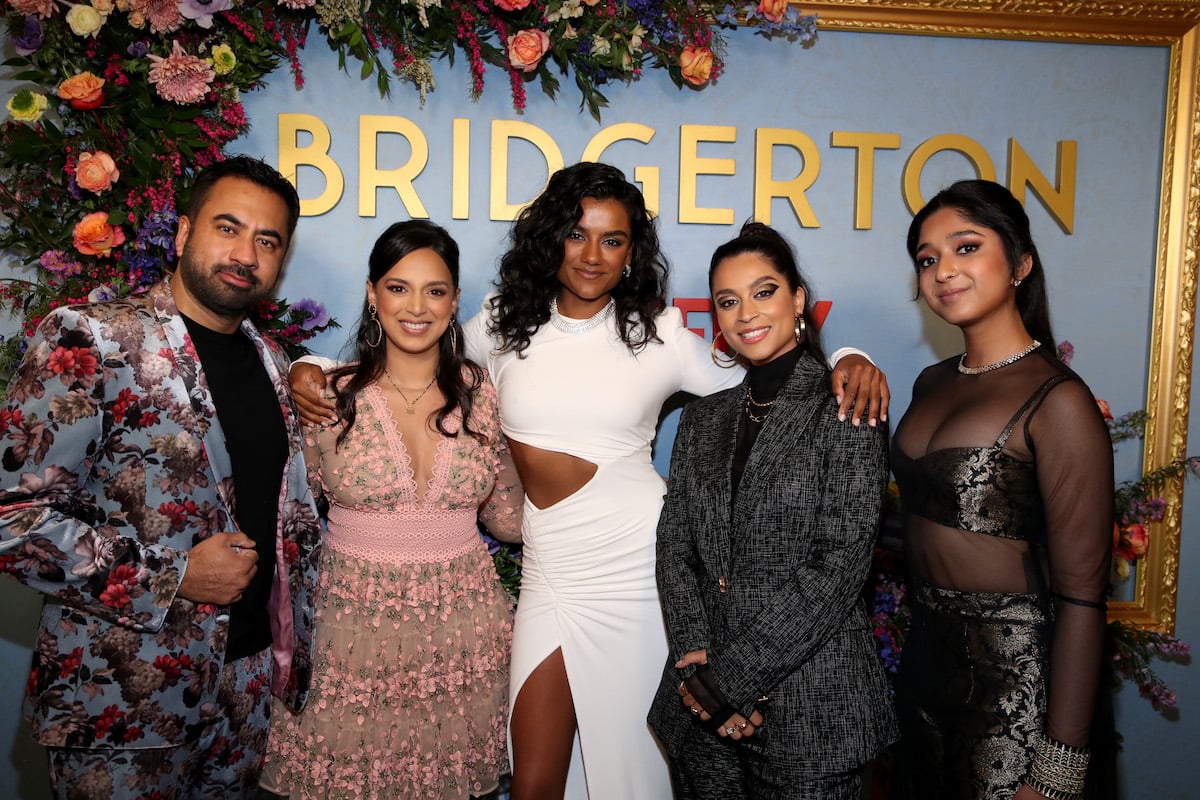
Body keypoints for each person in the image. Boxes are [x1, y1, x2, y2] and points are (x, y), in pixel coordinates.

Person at [290, 162, 890, 799]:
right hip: (551, 569)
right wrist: (311, 363)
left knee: (634, 773)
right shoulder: (501, 322)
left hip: (635, 570)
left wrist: (852, 356)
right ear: (552, 238)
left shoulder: (660, 334)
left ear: (632, 253)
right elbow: (410, 348)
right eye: (577, 234)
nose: (593, 255)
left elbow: (767, 367)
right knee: (534, 781)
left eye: (613, 240)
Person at [0, 156, 322, 799]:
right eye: (227, 228)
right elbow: (10, 519)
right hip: (122, 706)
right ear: (181, 234)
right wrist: (173, 575)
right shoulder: (91, 338)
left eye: (267, 240)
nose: (246, 254)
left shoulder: (274, 362)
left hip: (248, 702)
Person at [262, 221, 523, 799]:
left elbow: (508, 517)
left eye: (435, 290)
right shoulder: (325, 394)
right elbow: (288, 516)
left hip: (465, 634)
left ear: (455, 302)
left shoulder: (483, 394)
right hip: (350, 636)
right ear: (372, 294)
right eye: (399, 287)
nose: (417, 306)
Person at [647, 221, 897, 799]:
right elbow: (676, 544)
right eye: (727, 301)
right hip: (702, 715)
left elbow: (840, 564)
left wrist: (729, 681)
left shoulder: (845, 402)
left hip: (814, 707)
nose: (746, 313)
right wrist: (695, 665)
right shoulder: (703, 419)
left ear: (798, 299)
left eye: (763, 292)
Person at [891, 179, 1113, 800]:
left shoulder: (1060, 401)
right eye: (927, 259)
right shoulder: (930, 383)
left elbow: (1081, 599)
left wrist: (1058, 768)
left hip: (1013, 691)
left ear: (1020, 262)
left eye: (965, 247)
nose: (943, 271)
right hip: (923, 670)